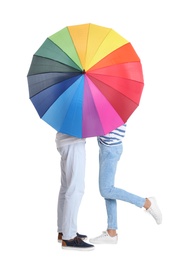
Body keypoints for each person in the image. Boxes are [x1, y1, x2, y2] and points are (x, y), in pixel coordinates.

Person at [89, 124, 162, 244]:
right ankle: (111, 232)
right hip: (105, 144)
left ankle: (147, 203)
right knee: (109, 190)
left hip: (111, 148)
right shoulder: (107, 106)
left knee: (106, 189)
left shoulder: (112, 106)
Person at [56, 132, 94, 251]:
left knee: (66, 188)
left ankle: (63, 231)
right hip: (73, 142)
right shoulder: (78, 112)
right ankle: (69, 237)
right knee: (75, 189)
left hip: (64, 142)